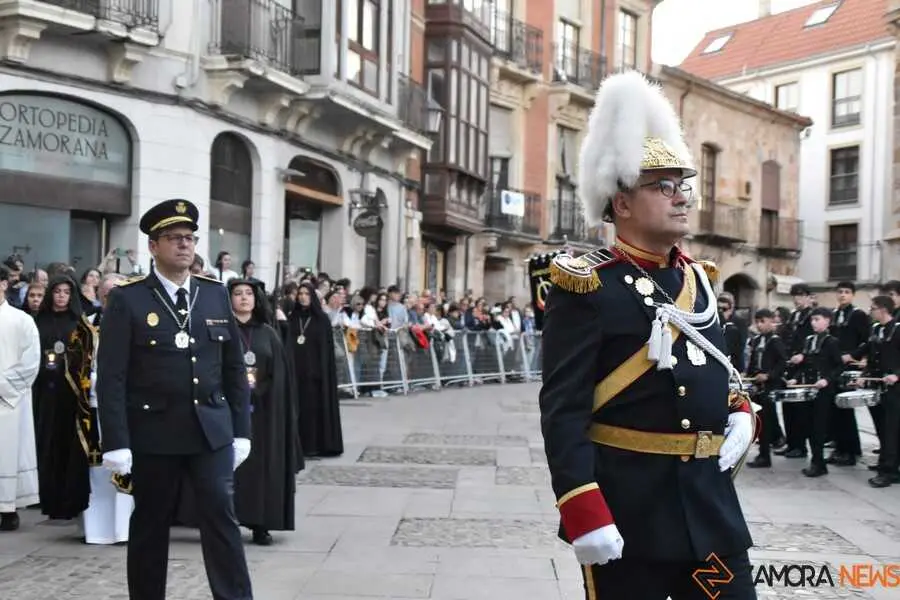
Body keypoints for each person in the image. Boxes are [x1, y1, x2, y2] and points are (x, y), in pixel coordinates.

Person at [539, 71, 757, 599]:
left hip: (711, 512)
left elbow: (721, 375)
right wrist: (582, 507)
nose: (681, 198)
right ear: (622, 203)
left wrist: (742, 414)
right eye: (663, 186)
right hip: (629, 515)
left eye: (684, 186)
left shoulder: (698, 281)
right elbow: (563, 409)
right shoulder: (588, 285)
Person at [96, 199, 253, 600]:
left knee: (221, 518)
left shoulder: (214, 294)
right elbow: (112, 377)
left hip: (210, 431)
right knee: (151, 523)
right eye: (174, 238)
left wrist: (241, 430)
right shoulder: (129, 299)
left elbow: (234, 368)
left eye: (189, 238)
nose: (184, 245)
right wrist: (116, 441)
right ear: (153, 246)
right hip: (154, 432)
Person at [230, 278, 301, 544]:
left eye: (248, 293)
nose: (244, 298)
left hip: (262, 412)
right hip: (229, 409)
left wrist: (260, 391)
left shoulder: (268, 333)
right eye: (238, 293)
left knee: (260, 468)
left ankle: (260, 523)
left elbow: (279, 374)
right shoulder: (223, 330)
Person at [32, 275, 96, 521]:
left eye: (66, 292)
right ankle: (47, 498)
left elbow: (87, 356)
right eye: (57, 291)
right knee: (46, 441)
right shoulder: (38, 321)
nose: (61, 296)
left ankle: (69, 501)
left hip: (71, 393)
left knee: (68, 444)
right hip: (44, 391)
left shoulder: (79, 323)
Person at [0, 264, 41, 531]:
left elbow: (31, 361)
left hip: (9, 401)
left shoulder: (22, 320)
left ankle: (7, 509)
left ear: (4, 284)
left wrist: (3, 386)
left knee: (8, 453)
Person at [848, 295, 900, 487]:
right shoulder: (876, 329)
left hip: (895, 388)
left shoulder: (898, 329)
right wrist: (865, 375)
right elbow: (872, 357)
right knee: (882, 428)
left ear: (883, 309)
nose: (870, 312)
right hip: (878, 386)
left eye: (873, 308)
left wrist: (897, 375)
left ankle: (888, 472)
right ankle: (886, 464)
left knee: (891, 430)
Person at [785, 307, 843, 478]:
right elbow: (805, 365)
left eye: (817, 319)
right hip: (808, 389)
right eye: (812, 320)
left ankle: (818, 463)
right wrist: (795, 378)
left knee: (818, 428)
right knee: (808, 426)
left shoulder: (832, 341)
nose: (813, 323)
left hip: (823, 391)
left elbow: (839, 366)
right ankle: (816, 461)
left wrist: (827, 380)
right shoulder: (809, 340)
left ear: (827, 321)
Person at [288, 281, 343, 458]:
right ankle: (299, 445)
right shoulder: (293, 318)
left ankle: (316, 445)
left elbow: (325, 349)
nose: (303, 297)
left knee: (314, 410)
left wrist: (320, 371)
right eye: (300, 294)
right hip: (296, 372)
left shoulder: (321, 320)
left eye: (306, 294)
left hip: (315, 374)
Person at [829, 281, 868, 466]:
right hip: (835, 366)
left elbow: (866, 341)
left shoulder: (858, 314)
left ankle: (850, 451)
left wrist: (853, 355)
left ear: (852, 295)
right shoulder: (834, 314)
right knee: (835, 410)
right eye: (840, 292)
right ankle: (839, 448)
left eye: (846, 292)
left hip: (850, 365)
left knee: (846, 409)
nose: (843, 295)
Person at [745, 309, 788, 469]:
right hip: (757, 385)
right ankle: (763, 453)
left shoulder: (775, 341)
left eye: (762, 321)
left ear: (771, 321)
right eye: (757, 322)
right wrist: (748, 375)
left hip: (769, 387)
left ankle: (765, 455)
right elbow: (753, 361)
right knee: (758, 420)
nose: (759, 325)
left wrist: (769, 375)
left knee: (766, 421)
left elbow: (782, 363)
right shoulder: (756, 340)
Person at [779, 283, 814, 459]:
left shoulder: (812, 316)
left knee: (800, 409)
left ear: (808, 297)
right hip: (790, 365)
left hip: (803, 367)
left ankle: (800, 446)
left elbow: (813, 341)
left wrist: (803, 355)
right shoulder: (793, 316)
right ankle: (791, 443)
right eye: (794, 296)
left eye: (800, 296)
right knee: (787, 407)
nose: (796, 299)